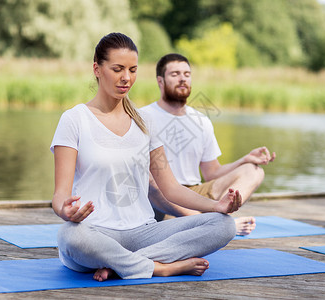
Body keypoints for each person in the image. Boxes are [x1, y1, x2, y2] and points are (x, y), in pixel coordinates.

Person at [50, 33, 241, 282]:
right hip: (95, 232)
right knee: (70, 236)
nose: (126, 78)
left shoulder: (145, 122)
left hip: (144, 232)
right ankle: (159, 267)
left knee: (224, 225)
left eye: (132, 70)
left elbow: (170, 188)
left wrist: (216, 207)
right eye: (117, 69)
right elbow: (59, 196)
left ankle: (121, 265)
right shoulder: (74, 119)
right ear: (97, 69)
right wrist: (66, 212)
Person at [139, 53, 276, 235]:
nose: (182, 79)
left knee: (254, 170)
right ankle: (210, 225)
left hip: (195, 194)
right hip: (161, 198)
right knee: (150, 182)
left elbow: (212, 173)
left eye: (187, 74)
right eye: (175, 74)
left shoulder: (201, 121)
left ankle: (212, 220)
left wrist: (245, 159)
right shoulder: (143, 117)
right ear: (160, 81)